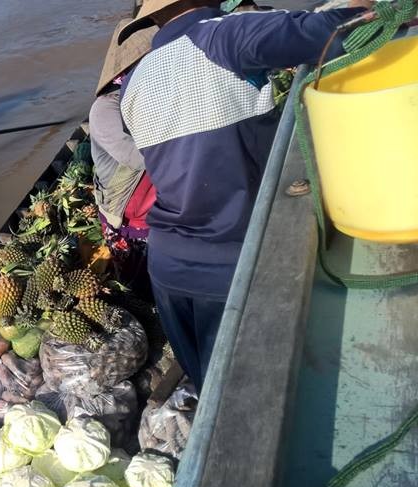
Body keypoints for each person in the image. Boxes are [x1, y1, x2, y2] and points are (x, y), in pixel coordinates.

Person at [116, 0, 372, 390]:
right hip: (234, 262)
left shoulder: (135, 81)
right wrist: (365, 7)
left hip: (168, 269)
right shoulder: (223, 34)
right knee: (266, 390)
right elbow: (332, 33)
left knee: (215, 395)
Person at [88, 20, 158, 294]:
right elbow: (141, 158)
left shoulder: (149, 97)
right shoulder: (105, 110)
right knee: (141, 283)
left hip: (155, 200)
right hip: (129, 212)